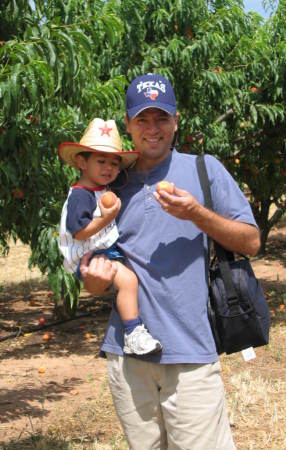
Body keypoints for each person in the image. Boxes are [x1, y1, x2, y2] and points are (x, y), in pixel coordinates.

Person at [80, 74, 261, 450]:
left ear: (176, 121)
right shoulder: (109, 184)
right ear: (127, 125)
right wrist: (95, 277)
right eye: (142, 119)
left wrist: (197, 214)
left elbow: (251, 241)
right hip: (128, 359)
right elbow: (95, 284)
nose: (152, 129)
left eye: (161, 118)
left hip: (190, 356)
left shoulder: (203, 170)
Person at [58, 118, 162, 356]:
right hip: (89, 254)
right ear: (81, 162)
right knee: (128, 281)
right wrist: (105, 219)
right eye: (101, 161)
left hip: (101, 249)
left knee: (131, 279)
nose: (109, 168)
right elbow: (79, 231)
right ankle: (133, 332)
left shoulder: (99, 189)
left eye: (115, 164)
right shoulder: (81, 196)